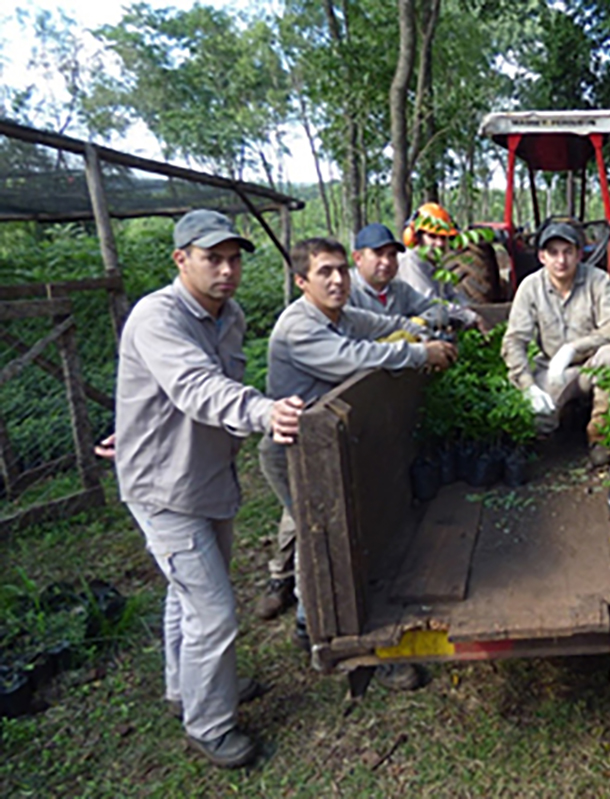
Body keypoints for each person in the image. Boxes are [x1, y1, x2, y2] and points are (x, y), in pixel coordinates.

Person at [111, 209, 304, 768]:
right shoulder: (158, 316)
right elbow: (197, 386)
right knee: (214, 610)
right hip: (162, 486)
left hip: (208, 476)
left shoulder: (230, 315)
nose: (227, 270)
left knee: (188, 596)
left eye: (234, 259)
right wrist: (264, 411)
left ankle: (188, 689)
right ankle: (209, 725)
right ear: (181, 260)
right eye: (212, 258)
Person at [257, 237, 456, 663]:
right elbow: (356, 356)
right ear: (301, 281)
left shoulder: (344, 315)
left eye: (340, 270)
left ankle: (309, 613)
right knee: (320, 537)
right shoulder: (299, 327)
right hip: (294, 450)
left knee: (324, 531)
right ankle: (317, 631)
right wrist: (421, 353)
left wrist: (422, 330)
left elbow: (387, 324)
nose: (337, 280)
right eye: (324, 272)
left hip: (327, 445)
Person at [501, 221, 610, 467]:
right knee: (540, 421)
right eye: (553, 253)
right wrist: (527, 386)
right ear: (542, 257)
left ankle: (600, 436)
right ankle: (554, 437)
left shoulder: (598, 280)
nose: (561, 260)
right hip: (553, 370)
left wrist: (573, 348)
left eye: (568, 252)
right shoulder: (530, 287)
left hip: (592, 365)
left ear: (579, 254)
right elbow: (514, 340)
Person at [395, 202, 483, 330]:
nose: (440, 243)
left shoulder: (436, 263)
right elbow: (430, 303)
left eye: (443, 237)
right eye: (432, 236)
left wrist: (468, 307)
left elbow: (452, 294)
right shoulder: (411, 262)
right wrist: (469, 317)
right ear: (417, 237)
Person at [346, 222, 443, 328]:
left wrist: (422, 321)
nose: (386, 262)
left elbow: (438, 310)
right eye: (378, 253)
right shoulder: (345, 289)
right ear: (358, 258)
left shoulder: (401, 289)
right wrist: (404, 326)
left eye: (392, 255)